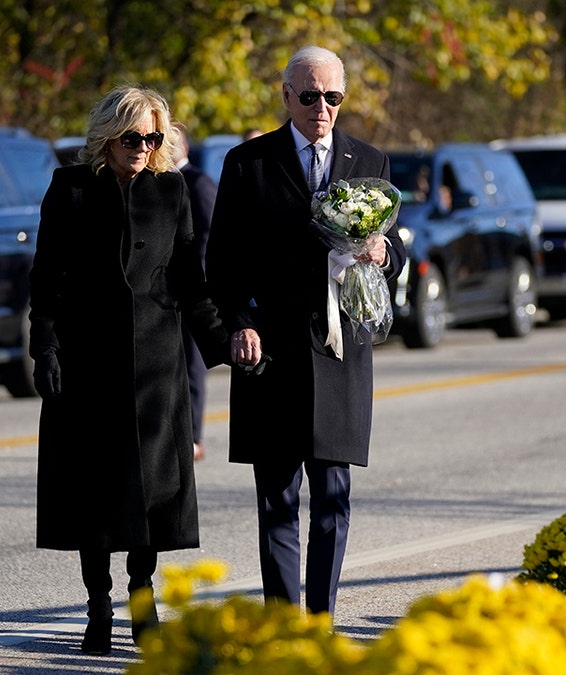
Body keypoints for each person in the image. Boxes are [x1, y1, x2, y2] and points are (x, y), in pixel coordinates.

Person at [206, 45, 407, 617]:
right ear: (287, 96)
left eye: (334, 97)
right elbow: (221, 265)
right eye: (311, 95)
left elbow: (394, 258)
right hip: (270, 354)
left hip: (341, 351)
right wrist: (239, 324)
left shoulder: (370, 161)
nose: (323, 107)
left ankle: (320, 621)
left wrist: (380, 250)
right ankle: (281, 625)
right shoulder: (248, 165)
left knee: (333, 499)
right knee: (277, 499)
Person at [28, 86, 230, 655]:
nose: (143, 147)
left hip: (156, 366)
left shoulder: (172, 191)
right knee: (95, 497)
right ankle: (98, 608)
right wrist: (44, 350)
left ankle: (142, 599)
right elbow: (46, 280)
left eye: (154, 138)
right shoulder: (69, 189)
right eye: (132, 137)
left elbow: (193, 283)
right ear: (107, 137)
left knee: (151, 496)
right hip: (86, 366)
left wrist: (224, 344)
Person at [172, 125, 220, 461]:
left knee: (192, 362)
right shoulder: (160, 183)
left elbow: (209, 238)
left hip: (194, 288)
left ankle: (193, 436)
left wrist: (200, 281)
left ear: (184, 146)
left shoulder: (197, 182)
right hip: (168, 291)